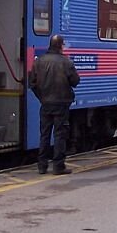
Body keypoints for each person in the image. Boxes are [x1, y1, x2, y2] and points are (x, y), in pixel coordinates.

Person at [29, 34, 81, 175]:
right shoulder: (66, 62)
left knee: (44, 135)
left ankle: (42, 166)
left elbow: (32, 83)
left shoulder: (38, 61)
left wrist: (41, 97)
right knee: (60, 135)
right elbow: (75, 81)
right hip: (62, 104)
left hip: (45, 104)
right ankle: (58, 166)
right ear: (61, 46)